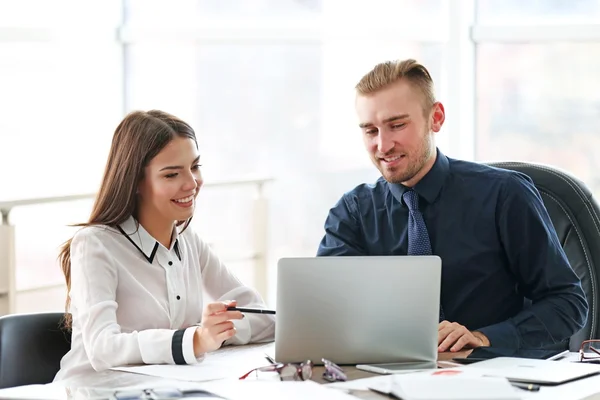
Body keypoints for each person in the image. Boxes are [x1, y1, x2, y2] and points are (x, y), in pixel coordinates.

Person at [317, 59, 588, 352]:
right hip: (385, 375)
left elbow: (568, 304)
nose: (383, 145)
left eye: (397, 125)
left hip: (489, 376)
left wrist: (485, 338)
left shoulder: (505, 195)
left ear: (436, 118)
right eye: (371, 131)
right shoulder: (352, 213)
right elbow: (326, 315)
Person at [54, 110, 275, 381]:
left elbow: (264, 318)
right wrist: (194, 340)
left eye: (194, 167)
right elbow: (102, 348)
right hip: (93, 391)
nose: (192, 183)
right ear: (135, 182)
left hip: (165, 389)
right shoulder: (94, 245)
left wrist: (213, 334)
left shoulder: (188, 240)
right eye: (172, 175)